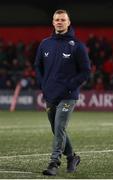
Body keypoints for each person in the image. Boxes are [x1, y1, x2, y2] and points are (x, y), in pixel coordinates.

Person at [34, 9, 91, 176]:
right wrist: (42, 83)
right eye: (57, 19)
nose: (59, 22)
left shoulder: (77, 46)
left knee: (59, 126)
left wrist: (70, 86)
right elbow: (38, 66)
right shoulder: (45, 44)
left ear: (68, 22)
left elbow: (86, 71)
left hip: (68, 95)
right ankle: (72, 157)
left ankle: (54, 162)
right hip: (50, 94)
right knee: (56, 128)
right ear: (53, 22)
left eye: (62, 20)